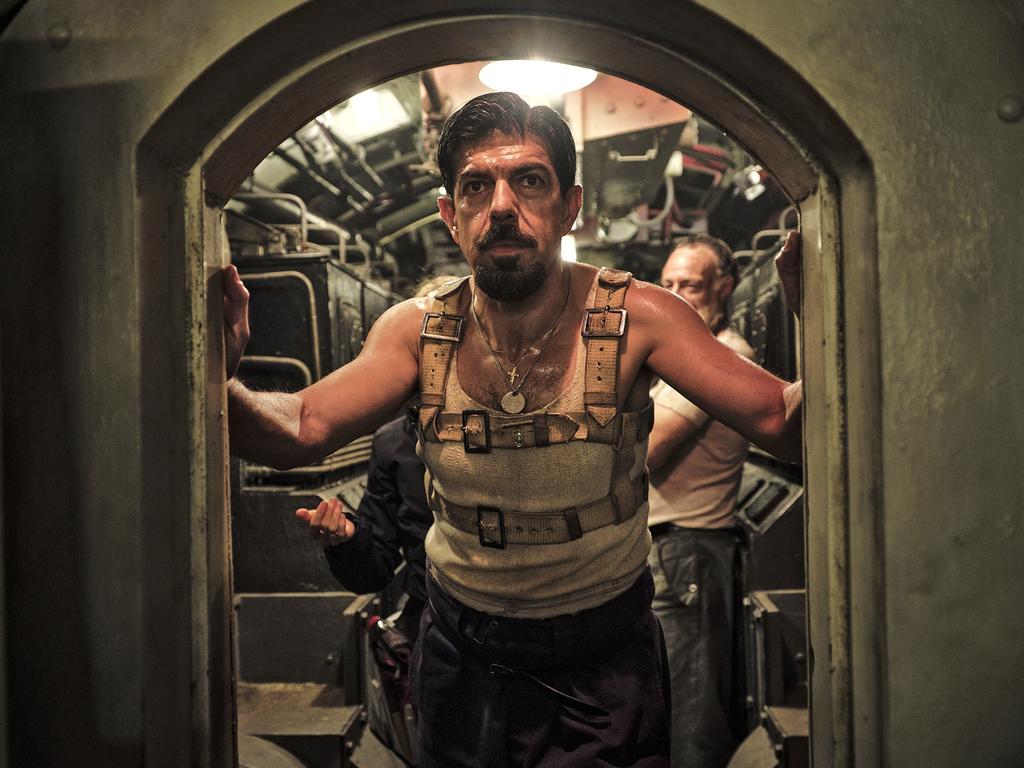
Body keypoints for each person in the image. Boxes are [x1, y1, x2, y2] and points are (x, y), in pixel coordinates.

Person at [223, 91, 803, 768]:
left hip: (603, 667)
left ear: (569, 206)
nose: (502, 204)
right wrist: (216, 376)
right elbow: (298, 428)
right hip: (460, 663)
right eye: (476, 185)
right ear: (450, 214)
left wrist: (822, 319)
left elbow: (783, 424)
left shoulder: (642, 318)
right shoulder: (415, 330)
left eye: (529, 180)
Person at [647, 234, 757, 767]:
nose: (674, 296)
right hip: (676, 552)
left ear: (724, 289)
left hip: (685, 552)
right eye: (666, 285)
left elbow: (646, 449)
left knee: (690, 715)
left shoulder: (720, 357)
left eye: (689, 285)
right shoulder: (685, 357)